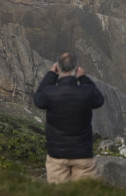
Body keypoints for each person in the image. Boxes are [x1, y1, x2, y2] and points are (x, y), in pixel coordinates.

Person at [33, 51, 105, 184]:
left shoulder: (49, 93)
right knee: (86, 195)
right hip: (83, 155)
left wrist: (51, 75)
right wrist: (83, 78)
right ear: (76, 68)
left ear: (58, 67)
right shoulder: (86, 92)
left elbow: (38, 98)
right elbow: (99, 99)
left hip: (57, 156)